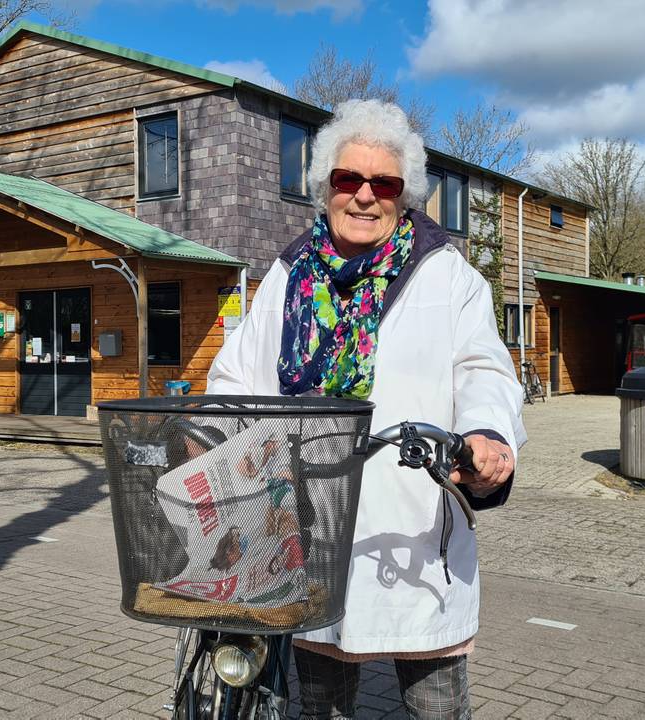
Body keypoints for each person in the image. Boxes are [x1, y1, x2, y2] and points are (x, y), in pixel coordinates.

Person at [207, 99, 525, 719]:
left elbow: (484, 369)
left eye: (383, 183)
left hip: (409, 531)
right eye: (348, 179)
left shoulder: (447, 275)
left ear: (403, 195)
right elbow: (235, 374)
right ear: (326, 186)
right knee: (321, 702)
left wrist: (487, 437)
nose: (363, 196)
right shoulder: (286, 274)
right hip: (303, 533)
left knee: (435, 704)